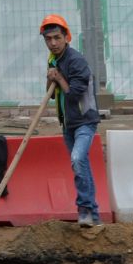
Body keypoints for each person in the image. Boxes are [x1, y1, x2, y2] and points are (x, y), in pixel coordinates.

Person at [41, 14, 101, 229]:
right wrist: (50, 77)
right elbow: (54, 93)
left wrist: (58, 78)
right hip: (68, 123)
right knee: (81, 164)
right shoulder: (53, 59)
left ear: (67, 37)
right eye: (48, 39)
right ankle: (94, 215)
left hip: (85, 120)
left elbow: (74, 93)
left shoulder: (76, 61)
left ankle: (84, 209)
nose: (53, 43)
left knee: (77, 159)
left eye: (57, 37)